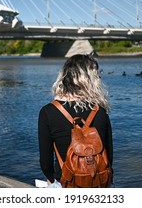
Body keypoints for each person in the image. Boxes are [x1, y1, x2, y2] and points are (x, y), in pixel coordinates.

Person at [38, 54, 113, 187]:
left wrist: (51, 180)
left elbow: (45, 163)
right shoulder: (100, 111)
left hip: (66, 183)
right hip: (99, 183)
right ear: (91, 80)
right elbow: (109, 158)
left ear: (64, 77)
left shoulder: (48, 112)